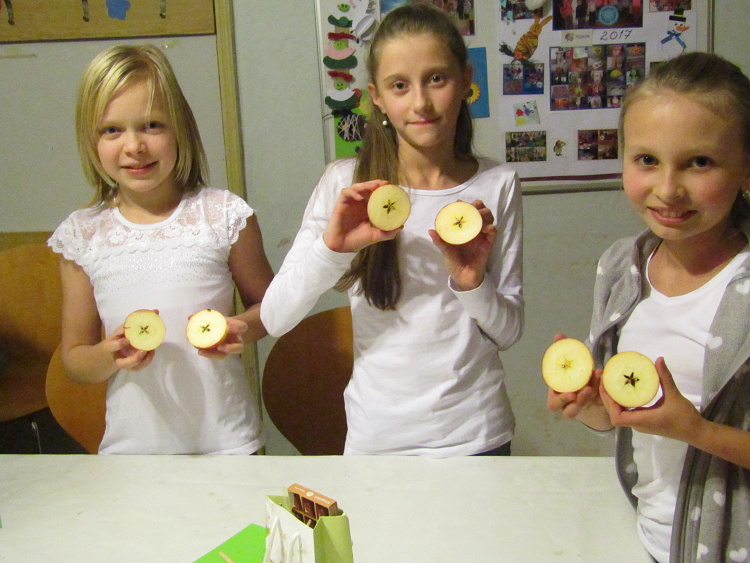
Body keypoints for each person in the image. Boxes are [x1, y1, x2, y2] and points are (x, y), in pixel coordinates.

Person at [260, 4, 523, 457]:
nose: (420, 103)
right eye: (399, 85)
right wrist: (333, 249)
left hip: (477, 436)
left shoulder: (497, 184)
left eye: (436, 79)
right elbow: (274, 318)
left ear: (465, 80)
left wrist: (471, 283)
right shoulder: (345, 184)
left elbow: (509, 331)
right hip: (377, 440)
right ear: (377, 96)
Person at [546, 52, 750, 562]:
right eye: (647, 160)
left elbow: (685, 429)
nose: (667, 189)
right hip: (651, 538)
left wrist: (697, 431)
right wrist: (591, 404)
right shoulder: (622, 269)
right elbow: (620, 423)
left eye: (699, 162)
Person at [48, 45, 274, 455]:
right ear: (90, 140)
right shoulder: (82, 236)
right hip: (133, 452)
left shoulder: (223, 215)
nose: (134, 145)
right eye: (112, 130)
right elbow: (75, 360)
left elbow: (271, 307)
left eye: (151, 125)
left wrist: (241, 327)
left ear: (180, 129)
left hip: (229, 444)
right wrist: (110, 355)